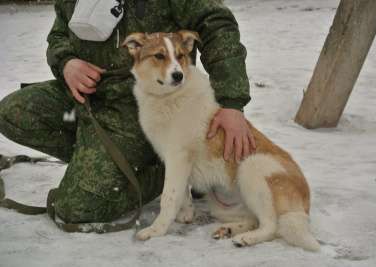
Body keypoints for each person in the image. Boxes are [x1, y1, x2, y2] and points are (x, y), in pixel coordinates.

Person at [0, 0, 254, 224]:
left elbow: (216, 25)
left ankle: (170, 169)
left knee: (76, 206)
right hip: (85, 98)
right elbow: (59, 34)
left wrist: (231, 103)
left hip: (139, 111)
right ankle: (94, 162)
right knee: (12, 113)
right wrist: (66, 62)